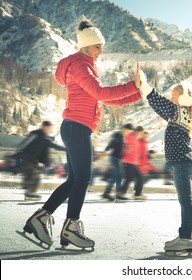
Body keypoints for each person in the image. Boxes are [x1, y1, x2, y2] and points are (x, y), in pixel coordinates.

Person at [21, 18, 143, 249]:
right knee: (83, 179)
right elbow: (100, 92)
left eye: (102, 46)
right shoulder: (79, 65)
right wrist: (132, 85)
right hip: (76, 127)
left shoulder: (86, 65)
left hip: (76, 127)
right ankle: (71, 227)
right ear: (87, 45)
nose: (101, 51)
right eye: (98, 46)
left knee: (75, 180)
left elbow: (105, 99)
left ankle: (42, 218)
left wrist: (139, 93)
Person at [140, 75, 192, 254]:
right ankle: (184, 236)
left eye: (173, 97)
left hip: (182, 163)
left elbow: (159, 102)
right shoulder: (182, 113)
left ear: (183, 98)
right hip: (180, 163)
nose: (171, 100)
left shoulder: (178, 112)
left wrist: (144, 85)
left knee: (186, 202)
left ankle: (186, 239)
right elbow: (162, 104)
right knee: (184, 202)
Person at [16, 121, 66, 199]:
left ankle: (28, 191)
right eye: (49, 128)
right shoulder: (35, 134)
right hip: (27, 158)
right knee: (35, 174)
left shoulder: (45, 138)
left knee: (34, 175)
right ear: (44, 126)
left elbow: (54, 146)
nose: (50, 129)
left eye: (50, 128)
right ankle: (30, 192)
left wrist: (66, 149)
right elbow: (25, 143)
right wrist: (18, 153)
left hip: (34, 160)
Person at [100, 124, 132, 201]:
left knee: (115, 177)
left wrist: (126, 148)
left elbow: (119, 146)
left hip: (117, 158)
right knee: (119, 176)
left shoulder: (121, 137)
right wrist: (104, 152)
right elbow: (111, 144)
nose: (129, 133)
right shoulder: (118, 135)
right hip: (115, 158)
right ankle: (118, 194)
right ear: (125, 129)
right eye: (129, 131)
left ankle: (106, 193)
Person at [119, 125, 145, 199]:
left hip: (133, 162)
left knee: (137, 177)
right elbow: (124, 144)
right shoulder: (130, 136)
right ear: (139, 131)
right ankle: (122, 194)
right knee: (129, 178)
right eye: (141, 132)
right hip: (128, 161)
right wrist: (126, 148)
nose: (141, 134)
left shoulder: (136, 138)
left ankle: (137, 193)